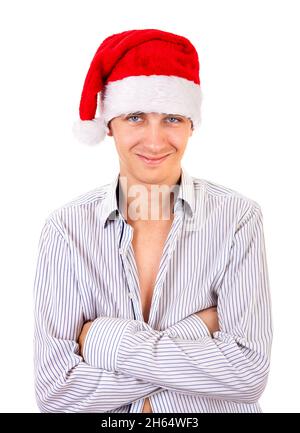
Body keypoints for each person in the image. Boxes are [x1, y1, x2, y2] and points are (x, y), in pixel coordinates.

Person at [33, 28, 273, 413]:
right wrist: (196, 331)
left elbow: (248, 375)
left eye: (173, 119)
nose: (156, 140)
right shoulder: (66, 230)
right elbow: (56, 393)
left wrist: (102, 341)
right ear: (109, 124)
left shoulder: (237, 219)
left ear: (192, 124)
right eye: (135, 117)